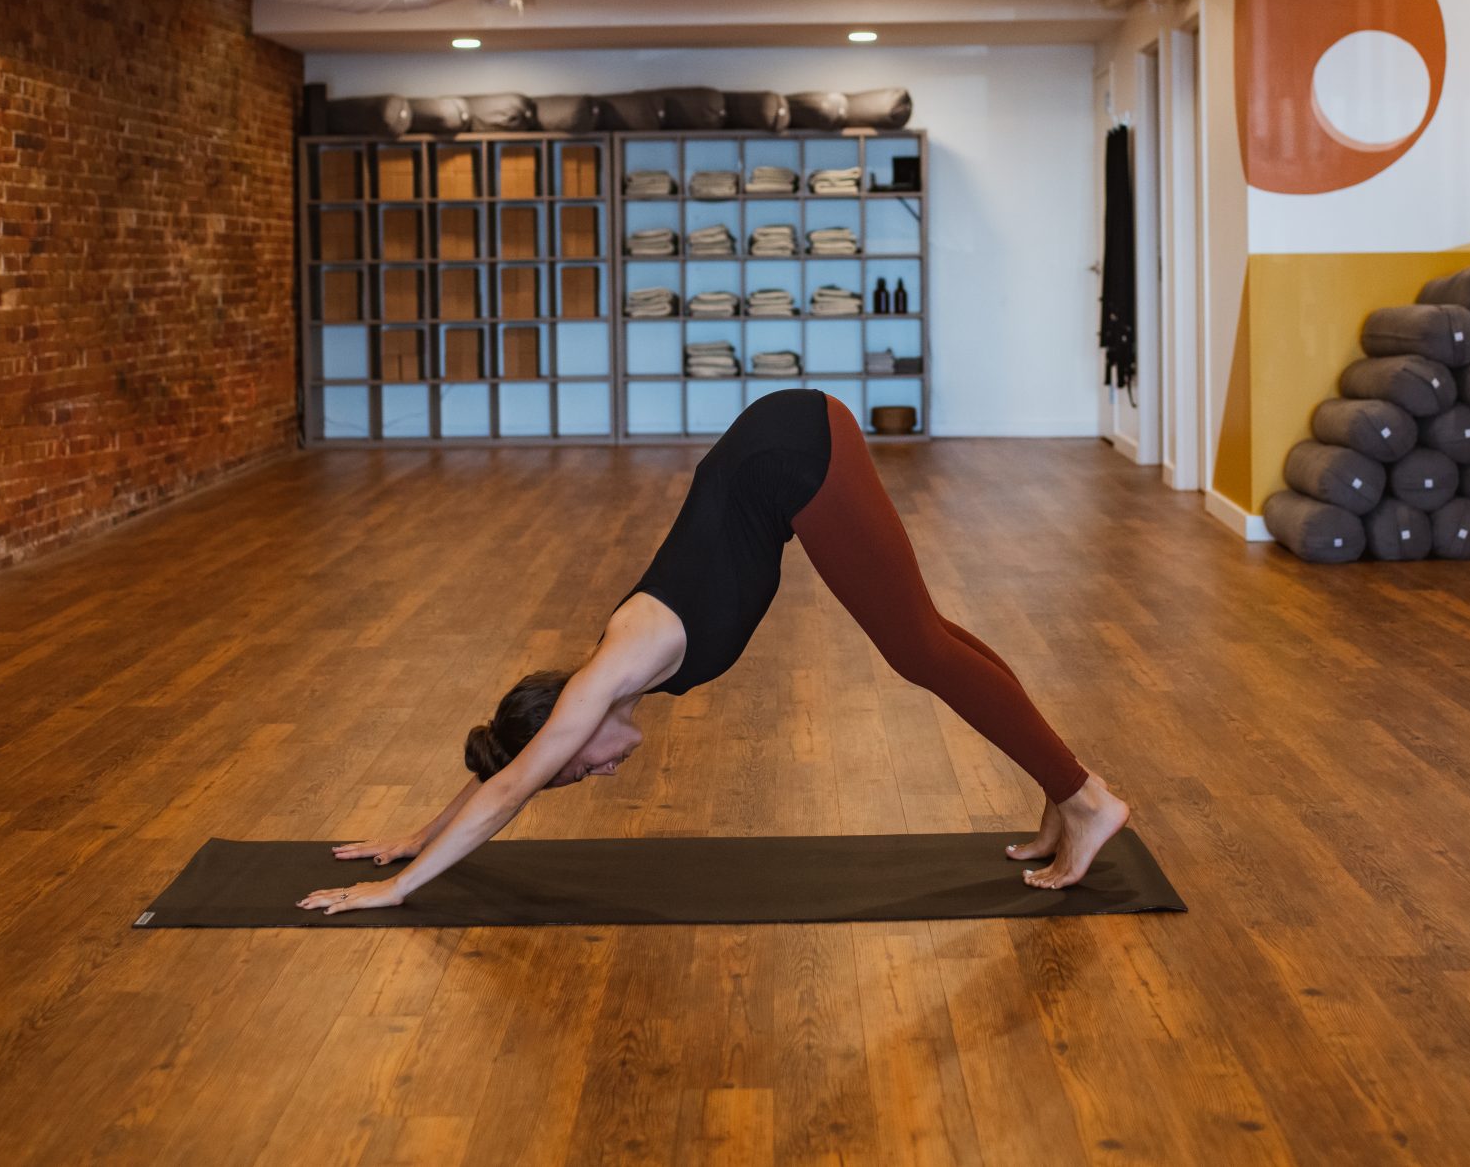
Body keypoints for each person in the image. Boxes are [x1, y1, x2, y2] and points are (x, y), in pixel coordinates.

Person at [300, 388, 1129, 913]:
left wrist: (398, 887)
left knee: (917, 648)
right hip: (779, 447)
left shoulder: (611, 669)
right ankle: (1062, 790)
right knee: (929, 637)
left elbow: (514, 784)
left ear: (567, 719)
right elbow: (510, 763)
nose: (599, 774)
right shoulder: (600, 685)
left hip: (794, 455)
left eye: (578, 767)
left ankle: (1086, 797)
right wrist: (416, 830)